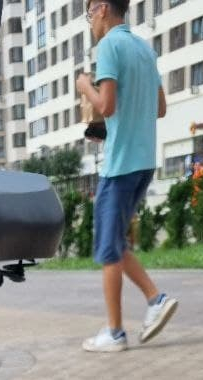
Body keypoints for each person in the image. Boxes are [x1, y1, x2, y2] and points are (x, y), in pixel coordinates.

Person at [76, 0, 178, 351]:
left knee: (108, 249)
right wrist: (113, 128)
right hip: (144, 162)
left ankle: (117, 331)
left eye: (89, 13)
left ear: (103, 8)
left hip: (119, 167)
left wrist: (85, 86)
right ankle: (154, 300)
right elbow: (160, 108)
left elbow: (106, 105)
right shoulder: (144, 49)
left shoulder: (109, 46)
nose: (90, 21)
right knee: (116, 243)